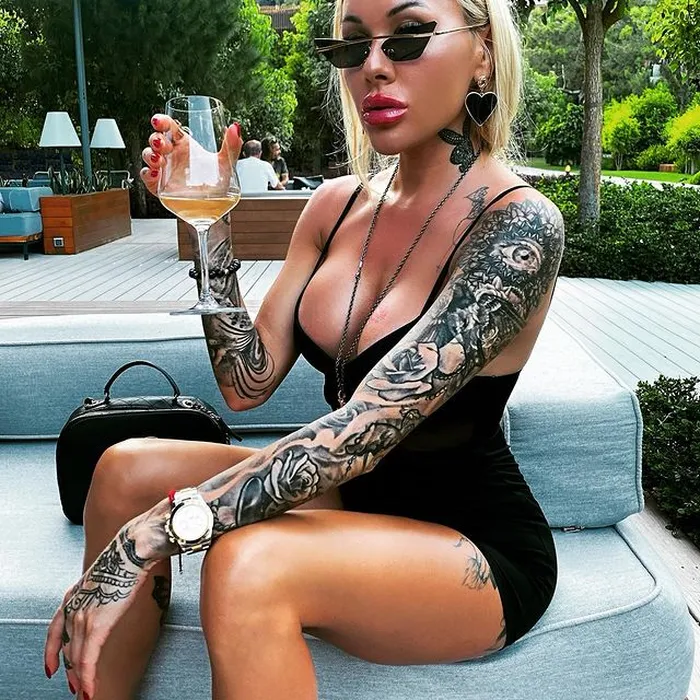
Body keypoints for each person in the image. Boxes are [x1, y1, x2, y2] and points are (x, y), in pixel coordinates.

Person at [44, 0, 566, 695]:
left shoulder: (519, 227)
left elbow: (360, 435)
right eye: (352, 46)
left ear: (483, 55)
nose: (373, 66)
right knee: (121, 470)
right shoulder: (336, 206)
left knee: (248, 563)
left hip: (470, 541)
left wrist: (148, 536)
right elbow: (246, 382)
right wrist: (209, 218)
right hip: (349, 497)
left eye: (408, 36)